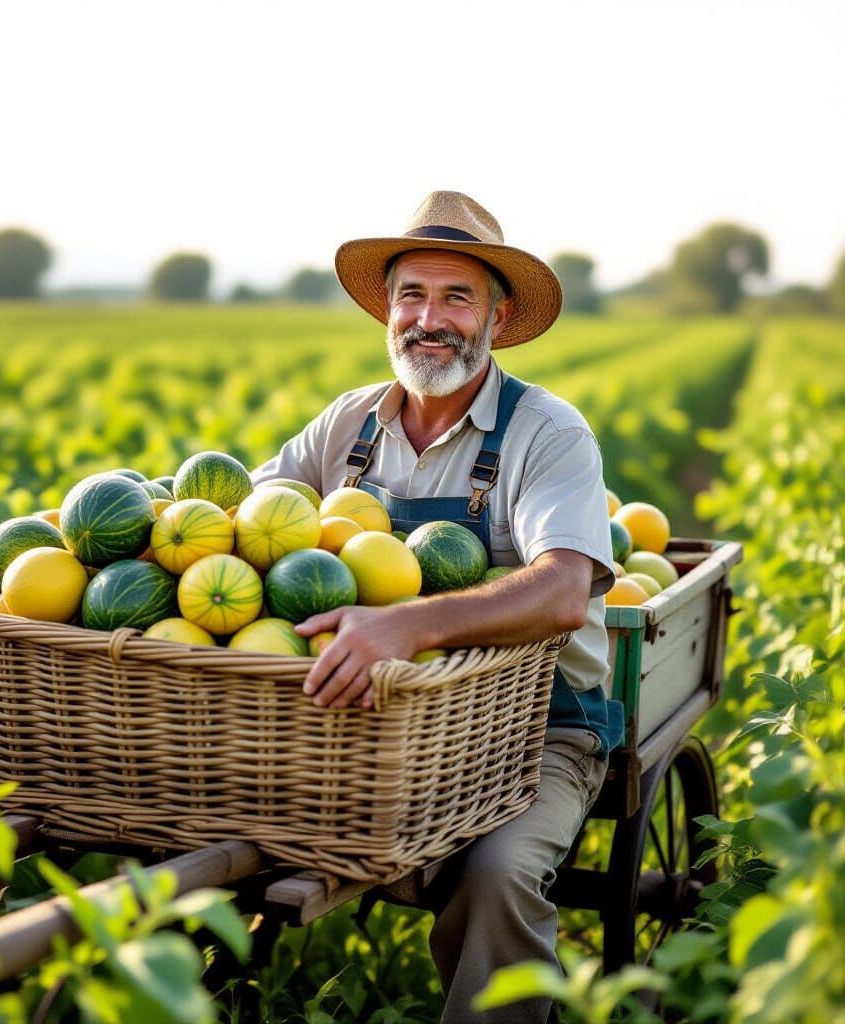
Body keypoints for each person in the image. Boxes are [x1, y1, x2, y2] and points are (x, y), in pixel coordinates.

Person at [250, 190, 623, 1024]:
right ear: (388, 308)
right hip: (361, 728)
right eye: (413, 294)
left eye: (458, 297)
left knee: (494, 876)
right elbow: (238, 527)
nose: (431, 319)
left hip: (534, 731)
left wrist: (405, 623)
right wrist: (41, 568)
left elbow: (565, 590)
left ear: (498, 314)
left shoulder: (548, 434)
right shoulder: (347, 425)